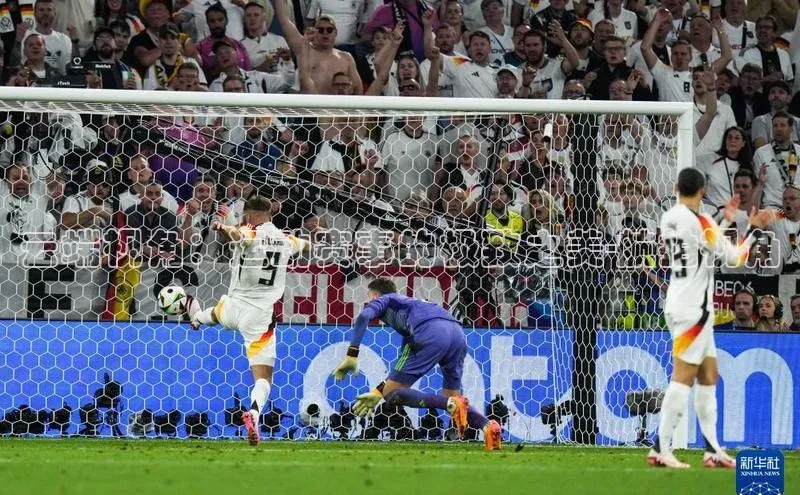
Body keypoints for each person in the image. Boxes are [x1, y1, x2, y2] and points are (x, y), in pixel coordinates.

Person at [652, 167, 773, 468]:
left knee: (709, 375)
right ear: (703, 191)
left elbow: (701, 245)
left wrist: (725, 220)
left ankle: (712, 449)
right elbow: (733, 257)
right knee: (683, 377)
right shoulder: (702, 221)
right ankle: (660, 448)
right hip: (694, 309)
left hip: (679, 301)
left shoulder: (670, 217)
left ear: (677, 187)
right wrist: (753, 229)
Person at [182, 196, 310, 446]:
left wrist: (222, 227)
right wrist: (302, 244)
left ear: (249, 216)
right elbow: (307, 246)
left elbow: (237, 235)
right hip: (259, 316)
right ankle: (253, 413)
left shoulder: (249, 232)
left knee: (216, 314)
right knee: (263, 378)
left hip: (233, 307)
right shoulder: (286, 240)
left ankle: (196, 317)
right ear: (270, 214)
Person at [331, 278, 502, 451]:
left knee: (394, 395)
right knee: (452, 396)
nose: (368, 302)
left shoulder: (386, 299)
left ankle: (451, 404)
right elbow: (397, 376)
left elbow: (364, 316)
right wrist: (377, 392)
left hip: (430, 331)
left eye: (369, 297)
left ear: (375, 295)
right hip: (457, 334)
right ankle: (488, 426)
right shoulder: (410, 311)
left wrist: (352, 354)